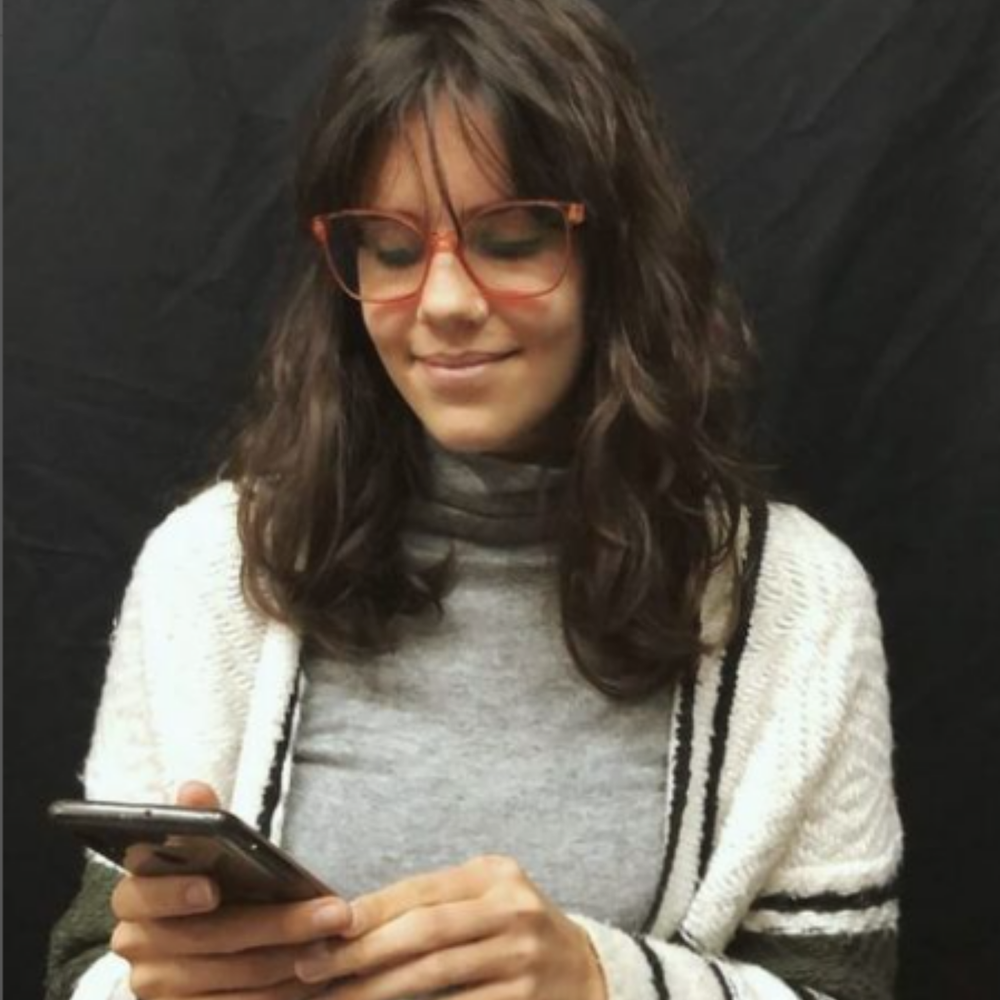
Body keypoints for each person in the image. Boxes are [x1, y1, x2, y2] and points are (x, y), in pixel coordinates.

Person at [46, 1, 903, 998]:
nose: (445, 303)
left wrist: (601, 981)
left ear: (615, 252)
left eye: (509, 238)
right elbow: (81, 969)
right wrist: (150, 983)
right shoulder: (210, 571)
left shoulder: (793, 603)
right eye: (393, 248)